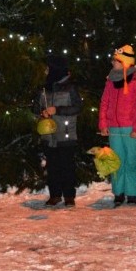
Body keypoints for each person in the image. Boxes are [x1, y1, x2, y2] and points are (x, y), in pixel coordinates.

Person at [98, 45, 136, 206]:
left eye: (116, 60)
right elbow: (104, 103)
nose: (113, 62)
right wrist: (103, 124)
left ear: (125, 62)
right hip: (114, 128)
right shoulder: (111, 80)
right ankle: (119, 192)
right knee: (116, 161)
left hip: (130, 128)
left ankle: (132, 193)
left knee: (131, 161)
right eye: (113, 59)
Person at [33, 55, 83, 207]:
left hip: (66, 133)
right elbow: (35, 107)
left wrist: (57, 110)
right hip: (49, 135)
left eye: (49, 68)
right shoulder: (43, 89)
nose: (46, 71)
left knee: (67, 166)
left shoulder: (70, 88)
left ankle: (69, 196)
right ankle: (54, 194)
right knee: (52, 166)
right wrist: (42, 112)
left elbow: (78, 107)